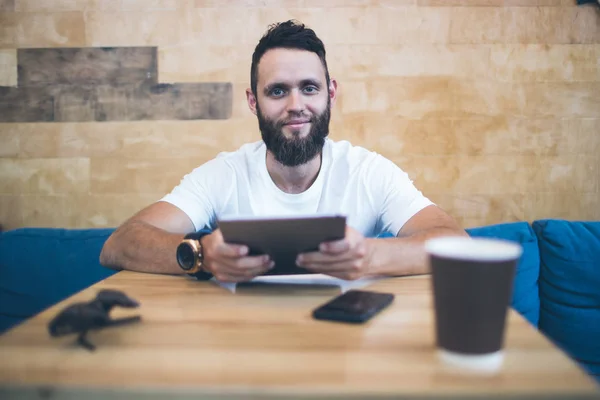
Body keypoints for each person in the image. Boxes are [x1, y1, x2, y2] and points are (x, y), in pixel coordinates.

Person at [100, 20, 467, 283]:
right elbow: (120, 243)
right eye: (277, 91)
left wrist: (371, 255)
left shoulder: (367, 171)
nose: (296, 105)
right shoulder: (224, 173)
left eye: (309, 88)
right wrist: (201, 255)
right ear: (252, 101)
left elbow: (454, 242)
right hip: (245, 355)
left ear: (331, 93)